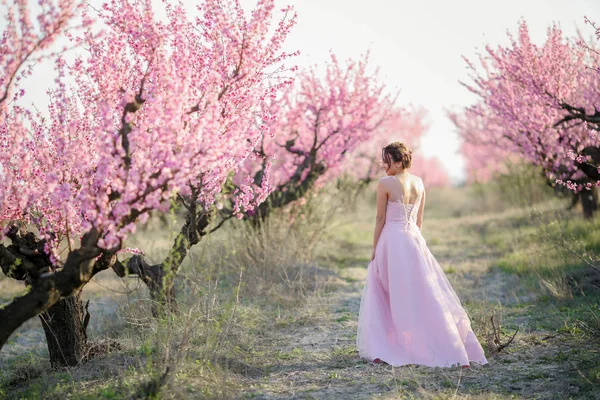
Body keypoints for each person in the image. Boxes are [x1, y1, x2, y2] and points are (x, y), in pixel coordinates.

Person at [356, 142, 488, 368]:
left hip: (392, 239)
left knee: (386, 289)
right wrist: (414, 241)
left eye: (387, 160)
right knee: (423, 292)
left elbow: (380, 219)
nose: (383, 164)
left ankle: (385, 347)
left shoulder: (386, 183)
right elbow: (419, 221)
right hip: (414, 239)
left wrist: (375, 248)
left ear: (398, 161)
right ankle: (446, 345)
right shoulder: (419, 182)